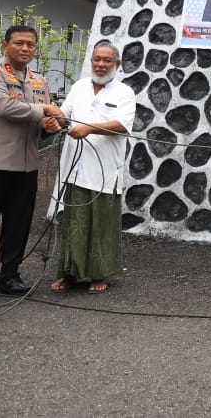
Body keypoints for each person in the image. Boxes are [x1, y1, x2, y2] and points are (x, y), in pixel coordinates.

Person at [0, 25, 63, 307]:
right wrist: (44, 111)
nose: (25, 48)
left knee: (18, 224)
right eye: (19, 43)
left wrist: (50, 125)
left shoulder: (38, 81)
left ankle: (9, 275)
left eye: (30, 45)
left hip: (26, 165)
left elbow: (41, 122)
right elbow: (6, 109)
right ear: (6, 45)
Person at [44, 40, 137, 294]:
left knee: (101, 225)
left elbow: (122, 124)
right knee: (73, 223)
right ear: (91, 62)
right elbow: (64, 116)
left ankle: (99, 274)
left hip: (105, 172)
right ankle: (69, 274)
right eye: (97, 59)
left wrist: (89, 128)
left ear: (116, 65)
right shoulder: (79, 87)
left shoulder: (124, 92)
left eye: (107, 60)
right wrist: (54, 121)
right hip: (75, 168)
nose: (101, 64)